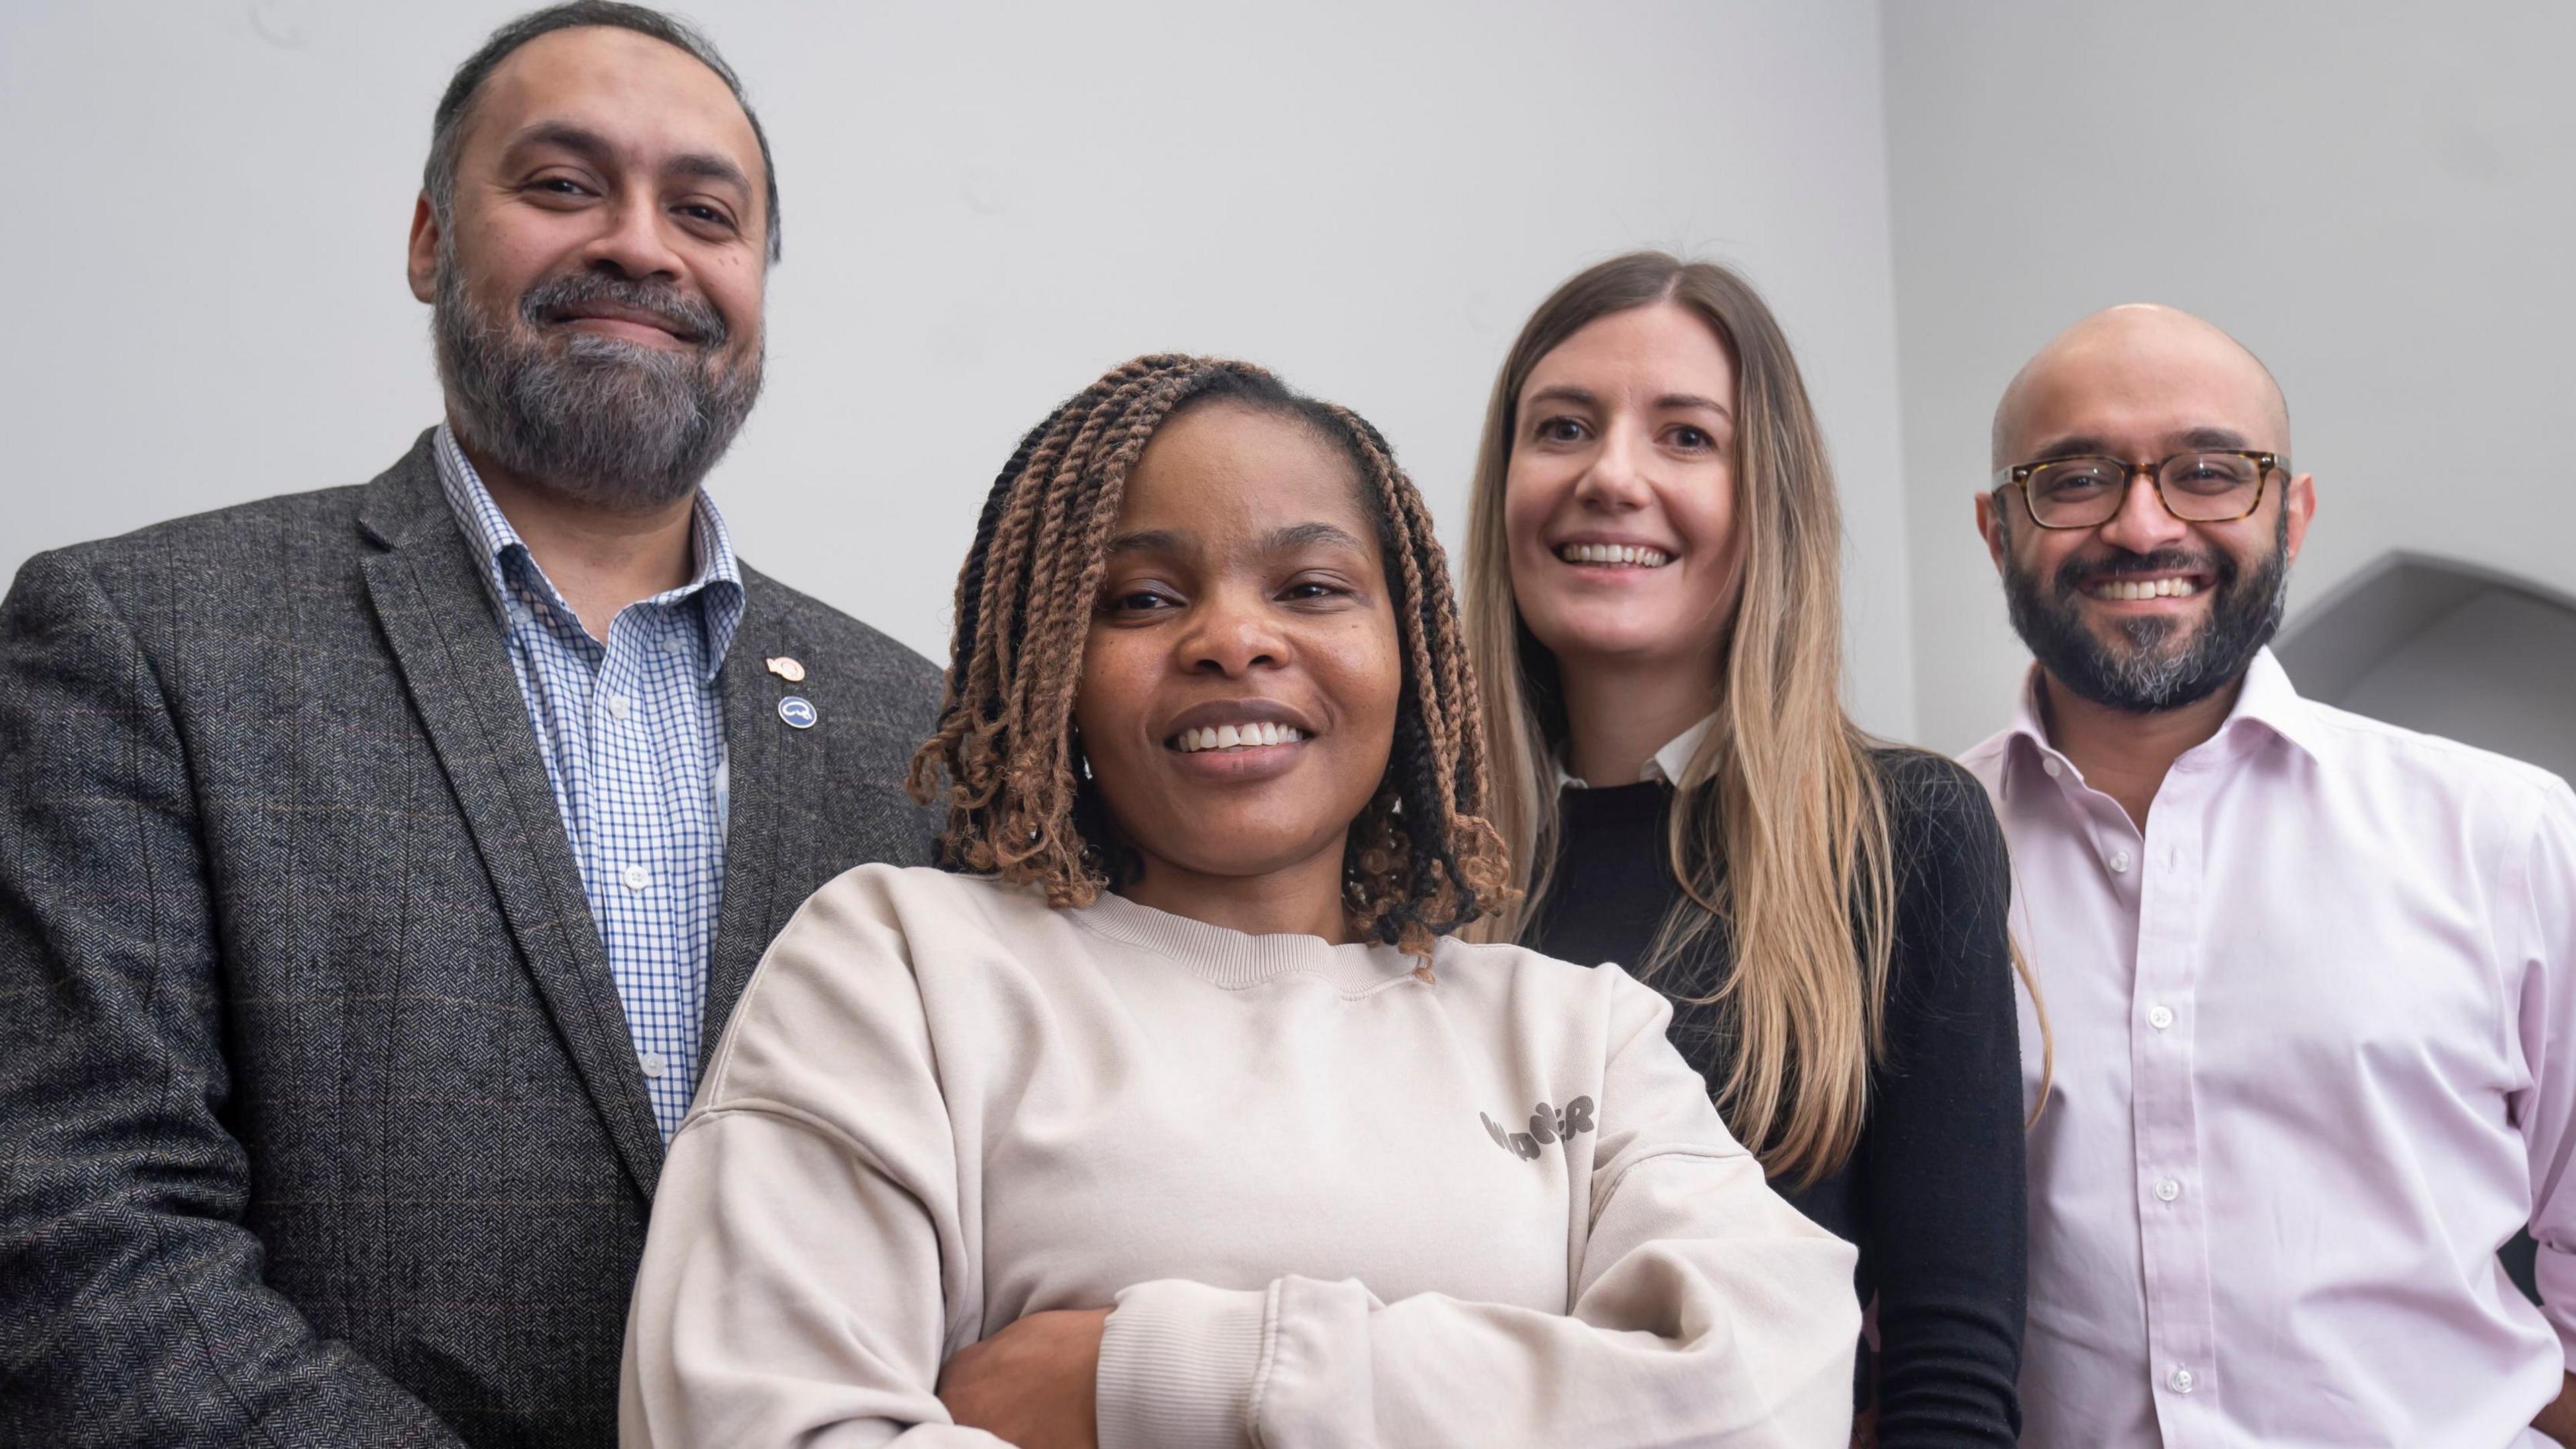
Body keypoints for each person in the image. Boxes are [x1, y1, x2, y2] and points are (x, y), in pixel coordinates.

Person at [619, 353, 1863, 1447]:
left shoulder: (1576, 1030)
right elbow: (759, 1419)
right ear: (1048, 661)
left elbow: (1766, 1394)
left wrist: (1156, 1379)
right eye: (1144, 599)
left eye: (1312, 588)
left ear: (1413, 654)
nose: (1233, 638)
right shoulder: (897, 968)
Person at [0, 6, 941, 1444]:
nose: (643, 245)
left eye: (705, 211)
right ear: (432, 239)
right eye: (563, 186)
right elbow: (75, 1221)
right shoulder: (142, 638)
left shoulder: (921, 733)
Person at [1963, 303, 2576, 1448]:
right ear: (2000, 530)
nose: (2143, 525)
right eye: (2077, 477)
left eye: (2208, 472)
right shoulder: (1904, 859)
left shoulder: (2506, 835)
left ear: (2289, 516)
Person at [1458, 252, 2027, 1444]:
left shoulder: (1901, 832)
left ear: (1769, 498)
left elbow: (1951, 1362)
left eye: (1686, 437)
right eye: (1563, 427)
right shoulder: (1408, 853)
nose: (1612, 477)